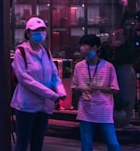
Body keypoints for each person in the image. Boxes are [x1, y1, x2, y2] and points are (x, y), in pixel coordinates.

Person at [11, 17, 66, 151]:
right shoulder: (21, 52)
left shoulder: (46, 52)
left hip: (44, 105)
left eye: (42, 30)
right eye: (36, 31)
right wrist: (50, 94)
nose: (40, 33)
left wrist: (60, 90)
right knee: (22, 143)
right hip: (26, 105)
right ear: (28, 33)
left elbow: (54, 74)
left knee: (38, 143)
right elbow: (24, 79)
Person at [73, 35, 121, 151]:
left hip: (104, 111)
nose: (82, 48)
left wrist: (98, 87)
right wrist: (82, 88)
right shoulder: (79, 66)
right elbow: (74, 87)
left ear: (95, 48)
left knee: (112, 143)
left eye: (85, 45)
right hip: (85, 110)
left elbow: (115, 89)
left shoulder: (109, 67)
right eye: (81, 45)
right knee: (86, 145)